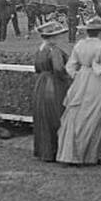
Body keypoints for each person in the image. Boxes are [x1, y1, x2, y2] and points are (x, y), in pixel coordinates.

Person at [57, 17, 101, 165]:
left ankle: (72, 153)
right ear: (100, 32)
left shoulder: (79, 44)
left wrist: (79, 75)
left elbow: (70, 67)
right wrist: (98, 70)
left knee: (77, 116)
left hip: (81, 82)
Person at [31, 21, 73, 161]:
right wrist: (69, 78)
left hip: (40, 85)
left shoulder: (40, 49)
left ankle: (43, 151)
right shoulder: (53, 50)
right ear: (53, 37)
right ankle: (55, 151)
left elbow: (37, 68)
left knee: (42, 117)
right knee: (56, 117)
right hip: (53, 85)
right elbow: (59, 69)